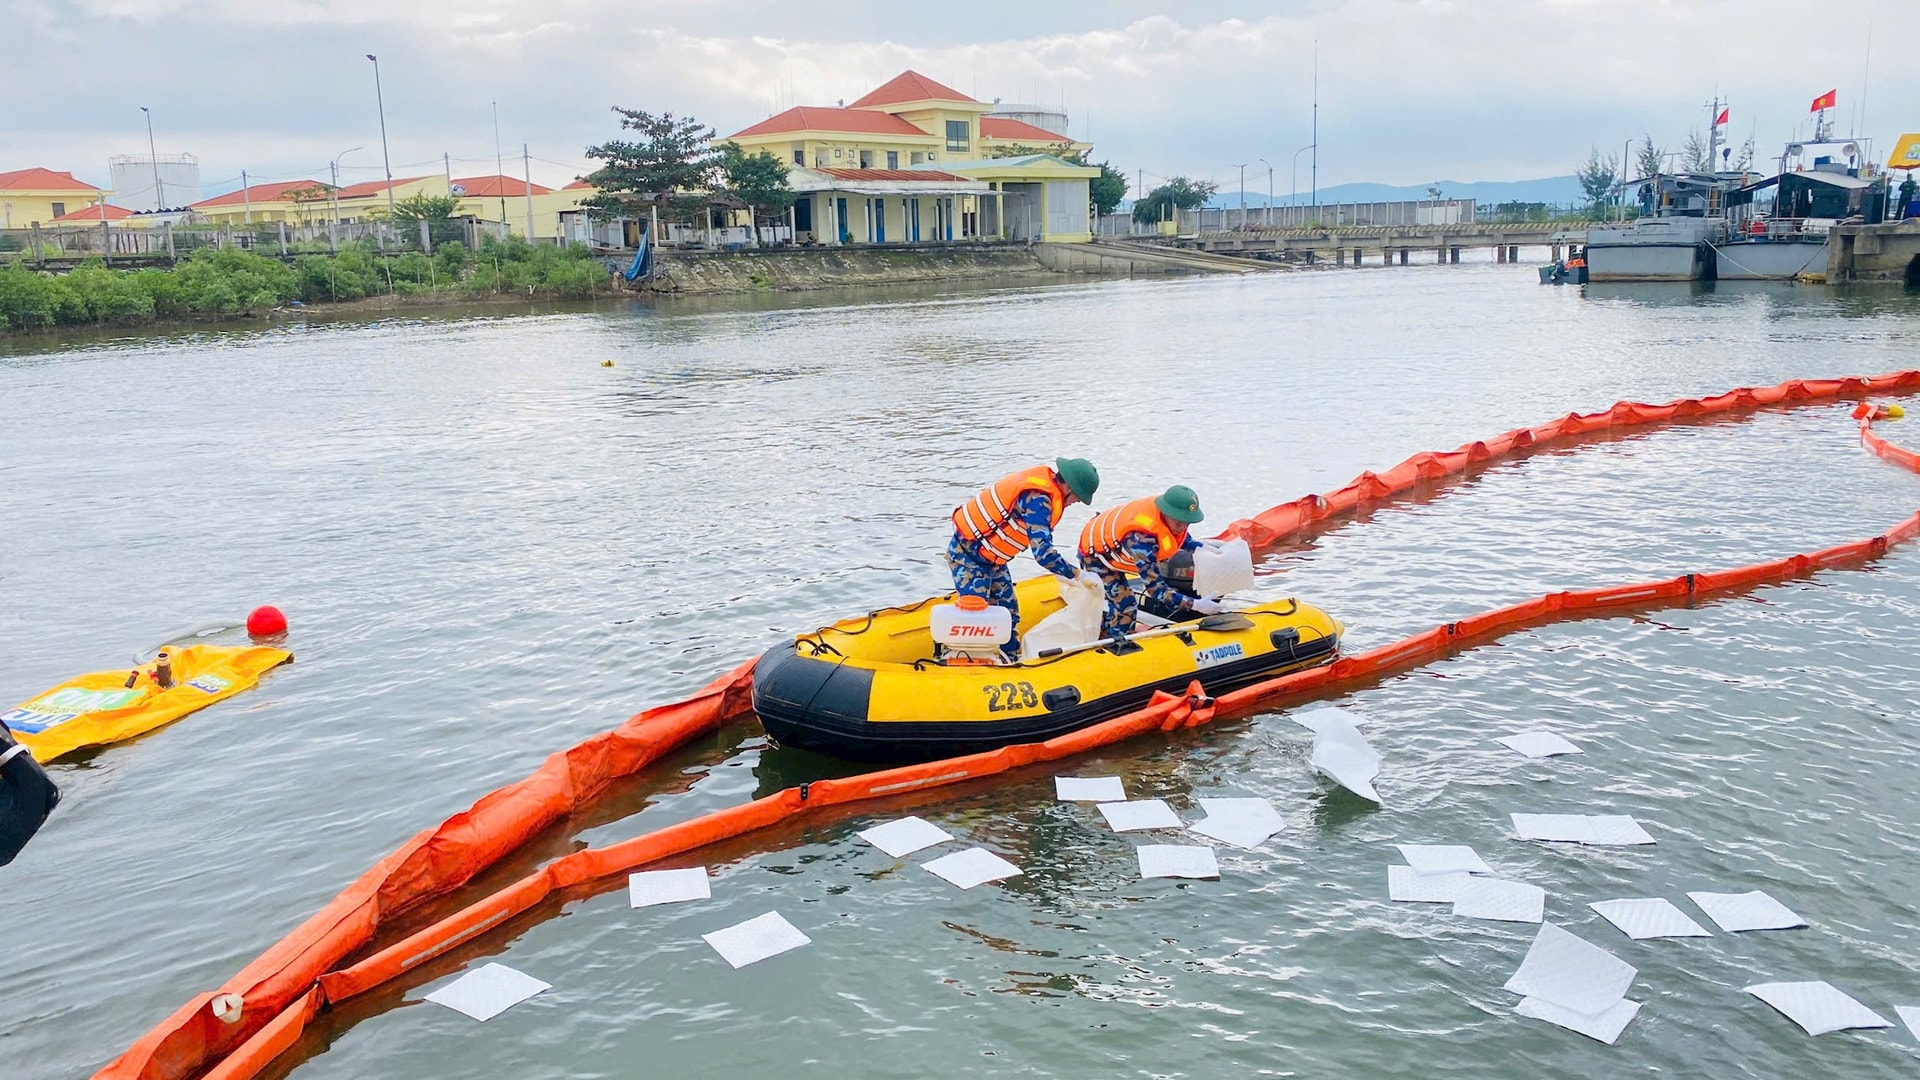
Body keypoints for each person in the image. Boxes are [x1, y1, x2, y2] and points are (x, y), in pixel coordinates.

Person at [949, 457, 1100, 661]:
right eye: (1078, 498)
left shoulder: (1045, 492)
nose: (1075, 503)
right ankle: (972, 664)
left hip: (994, 560)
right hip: (967, 556)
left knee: (1009, 613)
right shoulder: (1038, 500)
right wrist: (1077, 574)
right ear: (1069, 488)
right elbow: (1043, 554)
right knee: (979, 620)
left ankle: (1008, 660)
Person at [1078, 484, 1214, 642]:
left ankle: (1106, 629)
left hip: (1115, 545)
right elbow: (1155, 590)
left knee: (1120, 601)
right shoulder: (1142, 540)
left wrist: (1205, 549)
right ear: (1166, 513)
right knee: (1125, 604)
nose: (1183, 527)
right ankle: (1117, 645)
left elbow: (1183, 540)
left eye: (1187, 523)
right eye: (1179, 522)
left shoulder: (1169, 519)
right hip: (1095, 557)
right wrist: (1195, 605)